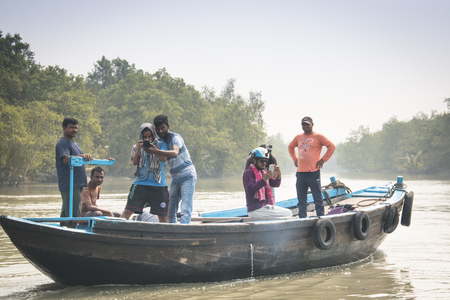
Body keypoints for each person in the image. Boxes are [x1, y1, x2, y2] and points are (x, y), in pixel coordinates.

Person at [147, 114, 197, 224]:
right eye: (158, 129)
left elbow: (174, 153)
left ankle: (183, 233)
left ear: (168, 126)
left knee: (185, 208)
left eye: (163, 128)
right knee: (169, 209)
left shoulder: (175, 138)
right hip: (175, 178)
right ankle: (172, 232)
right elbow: (157, 160)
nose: (160, 131)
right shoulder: (160, 142)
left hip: (187, 175)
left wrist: (155, 151)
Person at [120, 123, 169, 223]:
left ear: (153, 135)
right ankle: (115, 230)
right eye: (145, 137)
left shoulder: (161, 145)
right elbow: (134, 163)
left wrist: (155, 150)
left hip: (158, 184)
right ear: (141, 137)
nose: (147, 139)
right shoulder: (136, 147)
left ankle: (164, 236)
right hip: (140, 183)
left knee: (162, 216)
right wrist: (138, 150)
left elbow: (164, 158)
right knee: (128, 210)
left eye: (149, 136)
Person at [288, 116, 336, 218]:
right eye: (303, 124)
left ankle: (321, 218)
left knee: (317, 197)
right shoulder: (298, 137)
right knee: (301, 199)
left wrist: (323, 160)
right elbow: (290, 147)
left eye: (307, 124)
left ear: (312, 125)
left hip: (313, 172)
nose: (305, 126)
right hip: (301, 172)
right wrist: (295, 159)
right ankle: (302, 219)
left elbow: (331, 146)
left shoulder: (318, 137)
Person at [55, 117, 93, 227]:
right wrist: (82, 156)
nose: (74, 130)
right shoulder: (62, 143)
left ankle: (61, 233)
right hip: (70, 183)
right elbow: (66, 159)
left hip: (78, 183)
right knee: (74, 212)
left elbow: (83, 159)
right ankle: (71, 233)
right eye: (71, 127)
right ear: (64, 128)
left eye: (76, 128)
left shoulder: (75, 144)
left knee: (66, 212)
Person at [243, 147, 292, 218]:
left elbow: (275, 184)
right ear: (254, 160)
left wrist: (279, 175)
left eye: (265, 161)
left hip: (264, 207)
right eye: (261, 161)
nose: (264, 163)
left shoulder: (263, 172)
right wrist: (263, 179)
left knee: (287, 213)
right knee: (288, 213)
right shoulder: (248, 173)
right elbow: (249, 190)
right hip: (256, 209)